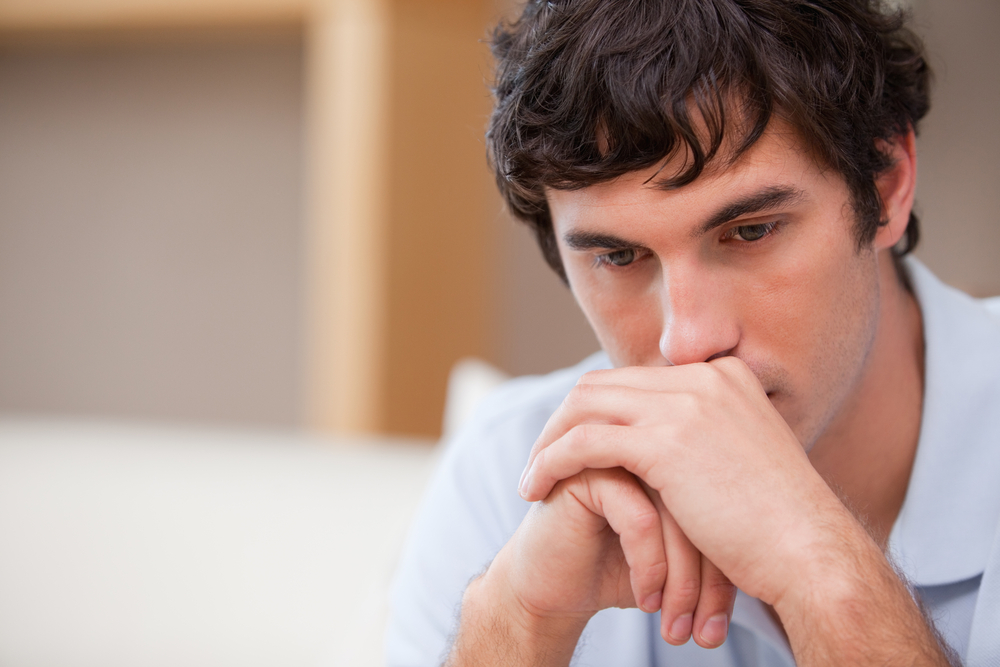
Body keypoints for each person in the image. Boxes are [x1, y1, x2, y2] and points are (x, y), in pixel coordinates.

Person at [386, 0, 1000, 665]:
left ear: (887, 183)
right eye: (618, 257)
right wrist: (523, 622)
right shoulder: (507, 471)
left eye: (750, 231)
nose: (688, 342)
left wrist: (823, 569)